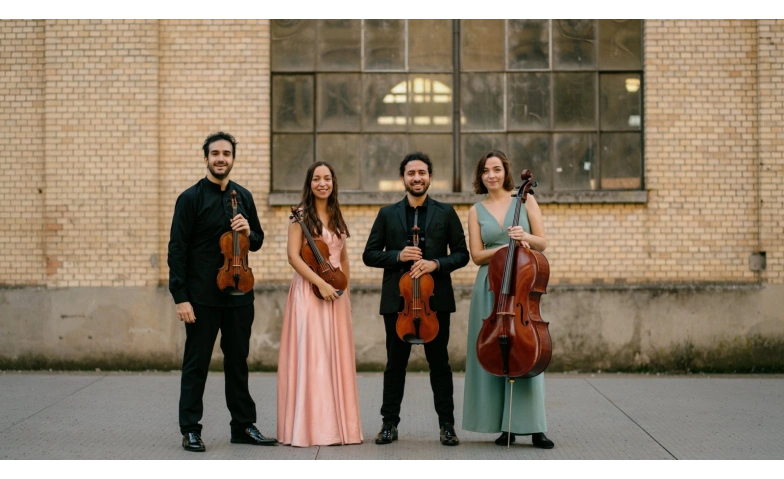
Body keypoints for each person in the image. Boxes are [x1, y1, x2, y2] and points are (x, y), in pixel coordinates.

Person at [168, 131, 277, 452]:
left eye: (226, 154)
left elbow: (257, 240)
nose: (220, 159)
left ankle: (242, 426)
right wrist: (181, 297)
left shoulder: (243, 196)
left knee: (238, 362)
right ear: (206, 158)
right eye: (215, 153)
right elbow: (177, 249)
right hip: (202, 298)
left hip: (240, 293)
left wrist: (249, 231)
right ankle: (190, 429)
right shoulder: (190, 198)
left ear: (232, 159)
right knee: (196, 364)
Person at [362, 152, 469, 446]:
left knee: (440, 365)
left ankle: (447, 426)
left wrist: (436, 264)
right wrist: (398, 256)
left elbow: (462, 254)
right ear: (403, 178)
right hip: (399, 303)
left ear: (430, 177)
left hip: (435, 302)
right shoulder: (387, 214)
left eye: (422, 173)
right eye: (411, 173)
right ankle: (389, 424)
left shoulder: (446, 212)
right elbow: (369, 255)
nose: (417, 178)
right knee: (395, 365)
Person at [461, 149, 555, 449]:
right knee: (494, 352)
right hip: (490, 286)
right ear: (480, 175)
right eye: (486, 170)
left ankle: (535, 427)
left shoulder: (525, 200)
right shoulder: (475, 210)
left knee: (526, 350)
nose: (491, 175)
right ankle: (504, 427)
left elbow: (542, 242)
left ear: (505, 172)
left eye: (496, 169)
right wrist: (504, 250)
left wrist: (524, 238)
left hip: (521, 284)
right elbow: (477, 256)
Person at [277, 161, 363, 447]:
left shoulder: (337, 216)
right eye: (316, 179)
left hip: (336, 292)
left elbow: (343, 258)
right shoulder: (300, 216)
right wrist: (321, 284)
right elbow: (293, 257)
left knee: (335, 356)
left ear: (333, 182)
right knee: (313, 356)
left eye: (327, 178)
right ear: (309, 183)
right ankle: (310, 429)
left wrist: (343, 289)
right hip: (309, 291)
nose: (322, 183)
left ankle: (339, 429)